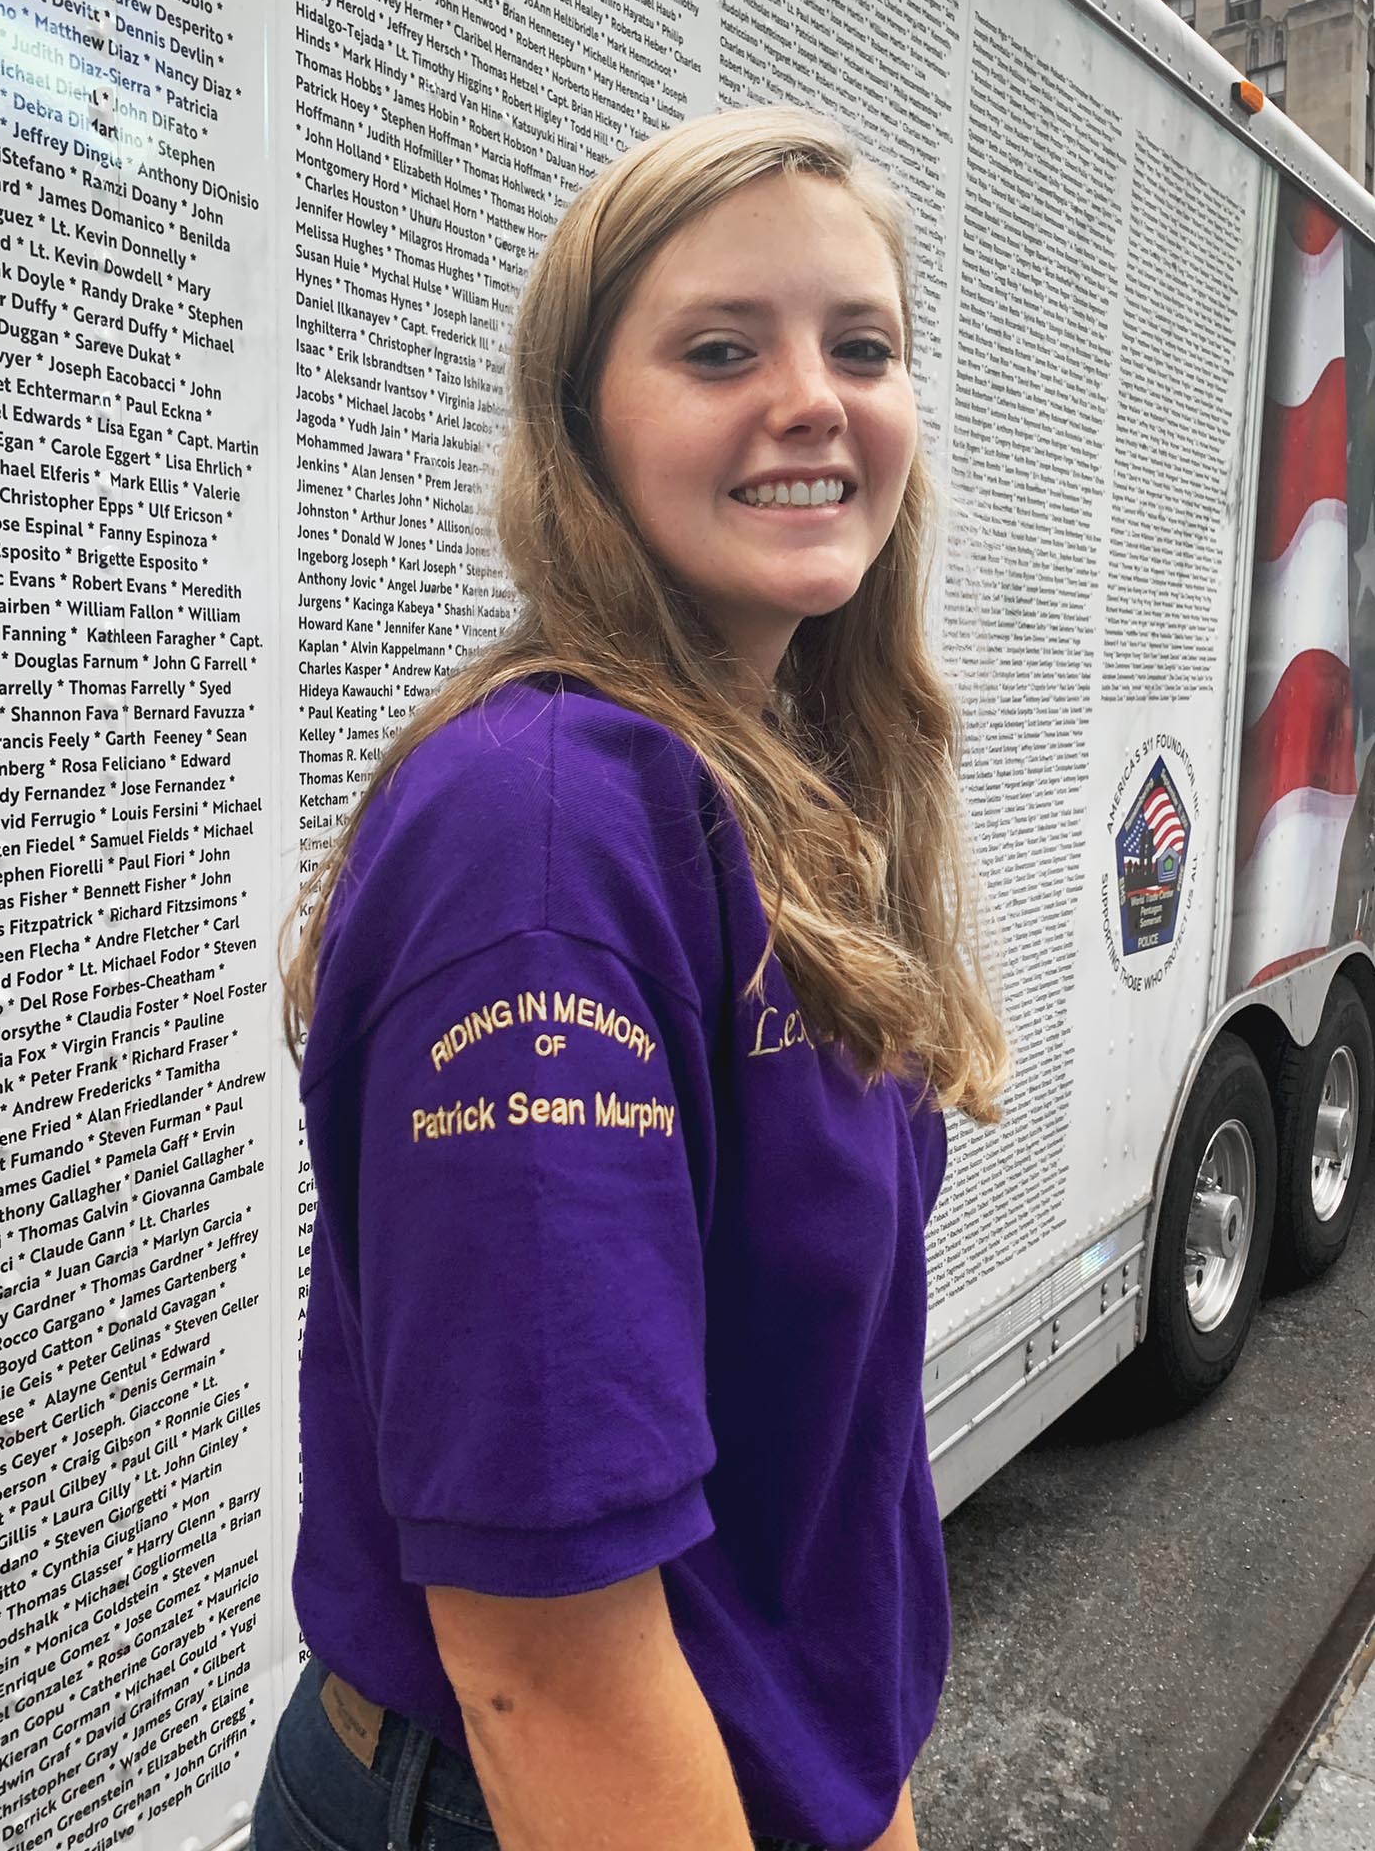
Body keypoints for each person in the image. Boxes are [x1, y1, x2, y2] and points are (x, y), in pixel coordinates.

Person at [254, 104, 1009, 1851]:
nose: (815, 397)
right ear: (584, 428)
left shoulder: (773, 782)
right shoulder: (547, 835)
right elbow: (548, 1653)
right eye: (721, 349)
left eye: (866, 345)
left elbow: (815, 1480)